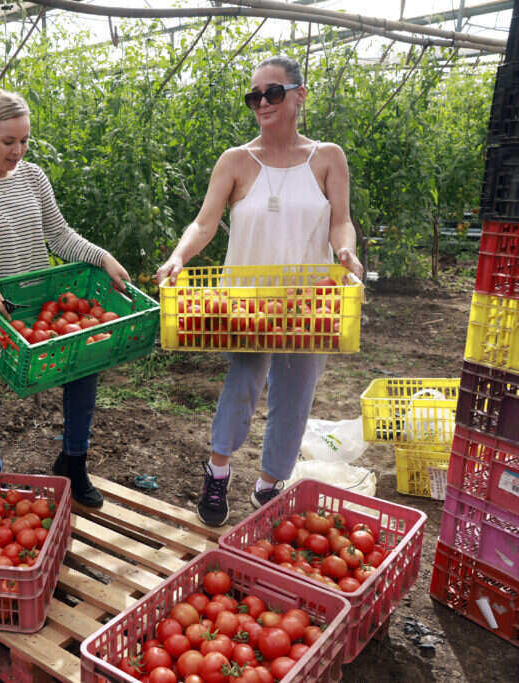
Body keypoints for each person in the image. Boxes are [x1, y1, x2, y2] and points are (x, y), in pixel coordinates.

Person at [154, 55, 365, 527]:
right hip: (245, 299)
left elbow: (341, 222)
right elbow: (204, 223)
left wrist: (346, 254)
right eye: (255, 96)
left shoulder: (327, 157)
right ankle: (218, 470)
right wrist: (178, 257)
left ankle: (269, 484)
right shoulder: (236, 160)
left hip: (310, 299)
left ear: (299, 95)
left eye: (273, 93)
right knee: (243, 382)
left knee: (296, 391)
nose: (262, 103)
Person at [0, 88, 131, 508]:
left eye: (24, 141)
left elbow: (59, 235)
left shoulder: (33, 176)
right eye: (8, 141)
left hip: (36, 306)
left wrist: (103, 258)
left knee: (83, 365)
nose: (18, 151)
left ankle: (74, 461)